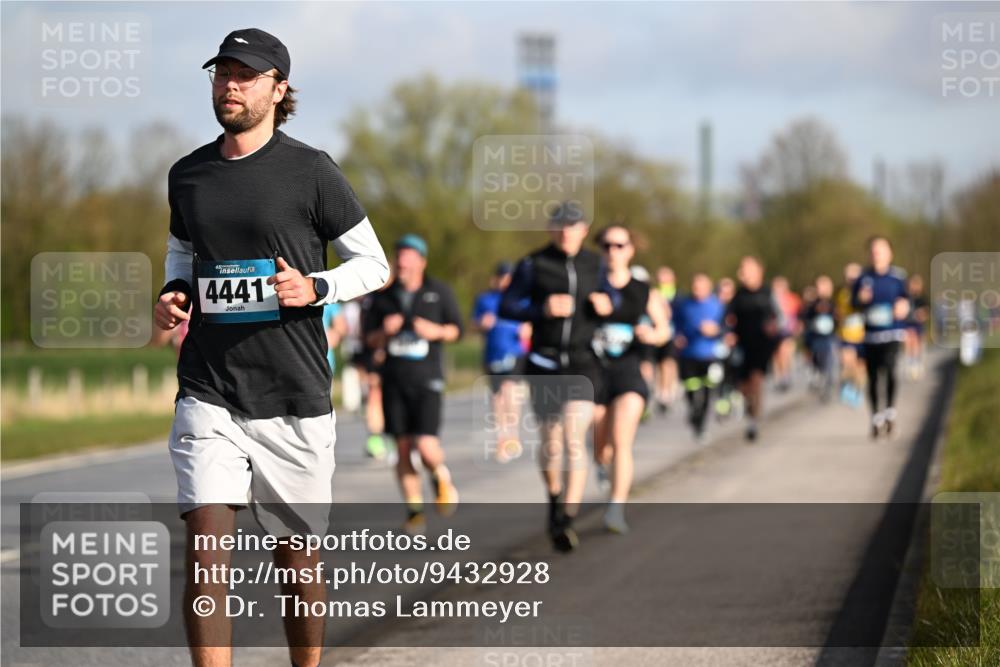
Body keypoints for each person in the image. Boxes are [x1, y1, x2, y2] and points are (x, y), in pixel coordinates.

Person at [154, 28, 389, 667]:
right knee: (206, 549)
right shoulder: (189, 174)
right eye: (221, 73)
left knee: (296, 560)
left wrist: (313, 287)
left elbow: (375, 266)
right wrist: (175, 289)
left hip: (294, 392)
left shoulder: (311, 170)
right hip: (209, 387)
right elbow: (184, 247)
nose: (229, 84)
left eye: (245, 74)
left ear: (278, 89)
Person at [500, 201, 612, 552]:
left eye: (573, 225)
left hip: (582, 362)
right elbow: (506, 306)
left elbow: (618, 297)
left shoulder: (597, 264)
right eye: (560, 226)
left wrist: (608, 305)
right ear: (550, 229)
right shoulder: (534, 264)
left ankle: (567, 516)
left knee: (573, 436)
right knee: (551, 442)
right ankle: (554, 500)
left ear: (583, 230)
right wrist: (541, 309)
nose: (566, 232)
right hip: (544, 363)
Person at [367, 234, 463, 533]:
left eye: (409, 257)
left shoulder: (439, 291)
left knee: (426, 445)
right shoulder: (382, 297)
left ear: (421, 261)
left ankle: (439, 475)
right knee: (403, 447)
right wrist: (384, 331)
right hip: (394, 381)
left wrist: (435, 331)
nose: (403, 262)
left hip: (428, 380)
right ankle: (414, 509)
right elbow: (369, 339)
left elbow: (456, 330)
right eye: (399, 256)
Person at [590, 225, 670, 533]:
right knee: (601, 444)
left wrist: (653, 333)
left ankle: (616, 508)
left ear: (630, 250)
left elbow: (664, 329)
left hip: (628, 369)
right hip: (595, 370)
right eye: (607, 245)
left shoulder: (642, 289)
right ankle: (601, 463)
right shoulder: (590, 283)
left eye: (620, 245)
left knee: (622, 440)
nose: (613, 251)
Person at [852, 236, 909, 438]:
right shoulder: (863, 278)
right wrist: (860, 299)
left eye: (881, 251)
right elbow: (853, 304)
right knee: (874, 377)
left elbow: (907, 301)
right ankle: (876, 417)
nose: (877, 255)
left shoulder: (898, 277)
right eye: (873, 251)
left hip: (892, 333)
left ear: (889, 254)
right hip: (870, 336)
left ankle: (890, 412)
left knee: (891, 371)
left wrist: (903, 308)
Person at [472, 262, 529, 463]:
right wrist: (482, 324)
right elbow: (475, 324)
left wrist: (528, 330)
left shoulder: (521, 299)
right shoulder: (485, 299)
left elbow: (533, 321)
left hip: (515, 351)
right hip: (492, 354)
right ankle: (502, 438)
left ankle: (513, 434)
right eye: (503, 276)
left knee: (509, 391)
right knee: (497, 397)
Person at [726, 256, 780, 442]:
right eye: (741, 269)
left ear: (758, 271)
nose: (742, 273)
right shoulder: (738, 295)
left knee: (756, 380)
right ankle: (749, 411)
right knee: (742, 385)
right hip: (742, 345)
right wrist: (728, 333)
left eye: (746, 269)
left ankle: (753, 422)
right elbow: (726, 319)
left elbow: (780, 317)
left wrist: (774, 327)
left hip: (762, 345)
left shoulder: (767, 293)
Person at [673, 273, 726, 442]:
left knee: (707, 391)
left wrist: (716, 331)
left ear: (708, 288)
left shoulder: (717, 305)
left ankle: (701, 423)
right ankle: (693, 411)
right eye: (695, 286)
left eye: (701, 286)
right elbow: (675, 324)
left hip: (710, 354)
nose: (697, 290)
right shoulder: (684, 304)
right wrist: (677, 336)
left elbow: (727, 328)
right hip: (688, 354)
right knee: (691, 389)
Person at [802, 275, 839, 402]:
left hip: (829, 338)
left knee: (828, 362)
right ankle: (817, 377)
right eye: (819, 286)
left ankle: (827, 386)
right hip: (816, 338)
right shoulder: (812, 305)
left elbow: (837, 319)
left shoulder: (833, 303)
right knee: (817, 360)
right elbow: (805, 319)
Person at [835, 262, 867, 408]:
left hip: (863, 336)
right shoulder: (842, 294)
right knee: (847, 361)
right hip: (846, 334)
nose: (851, 279)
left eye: (854, 276)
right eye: (848, 276)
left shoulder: (865, 293)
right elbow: (838, 312)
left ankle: (857, 389)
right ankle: (846, 387)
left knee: (860, 368)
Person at [652, 266, 679, 414]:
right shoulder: (654, 293)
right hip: (658, 333)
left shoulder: (677, 295)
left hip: (672, 333)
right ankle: (661, 389)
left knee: (668, 362)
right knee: (660, 363)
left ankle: (667, 391)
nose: (663, 279)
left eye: (666, 276)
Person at [770, 276, 801, 392]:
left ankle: (786, 376)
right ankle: (778, 377)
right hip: (775, 331)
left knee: (785, 353)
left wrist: (798, 325)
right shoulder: (770, 300)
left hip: (788, 331)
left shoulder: (792, 298)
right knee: (776, 356)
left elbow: (798, 314)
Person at [904, 274, 929, 380]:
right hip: (907, 324)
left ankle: (918, 363)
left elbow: (926, 312)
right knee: (909, 342)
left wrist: (921, 314)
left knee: (918, 344)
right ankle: (911, 364)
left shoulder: (922, 298)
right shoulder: (906, 297)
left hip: (918, 324)